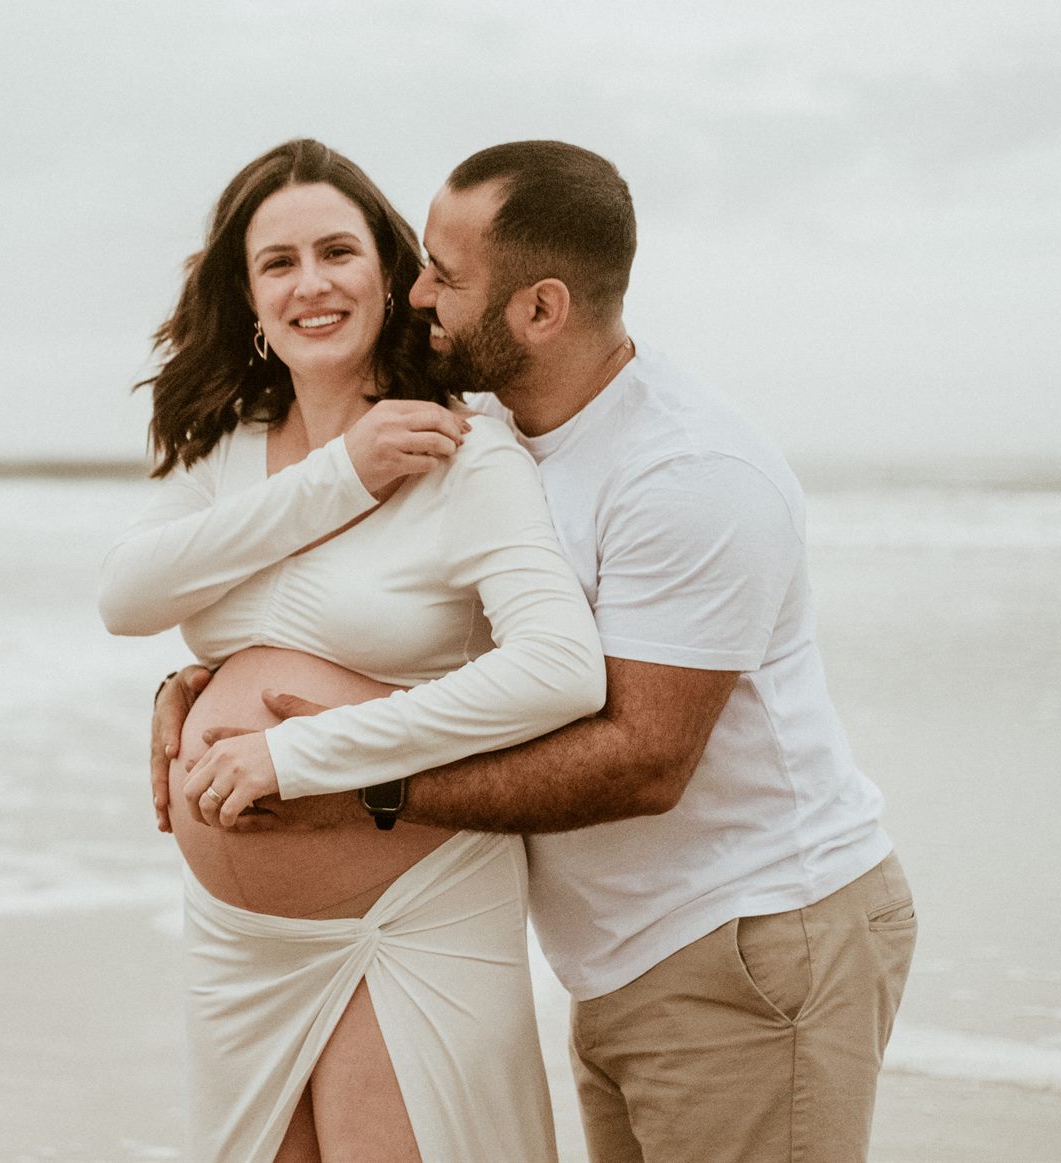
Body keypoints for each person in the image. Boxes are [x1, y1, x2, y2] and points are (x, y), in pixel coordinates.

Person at [157, 141, 917, 1163]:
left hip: (751, 936)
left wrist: (364, 788)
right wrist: (207, 686)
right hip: (622, 953)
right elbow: (400, 624)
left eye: (446, 276)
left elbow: (643, 759)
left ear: (540, 310)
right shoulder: (483, 441)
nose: (415, 290)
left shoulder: (686, 474)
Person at [98, 138, 607, 1162]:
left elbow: (561, 668)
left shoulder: (463, 449)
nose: (310, 283)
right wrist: (341, 477)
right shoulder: (223, 447)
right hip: (241, 941)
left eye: (337, 251)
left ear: (389, 271)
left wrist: (294, 756)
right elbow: (128, 598)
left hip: (409, 914)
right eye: (276, 263)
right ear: (245, 298)